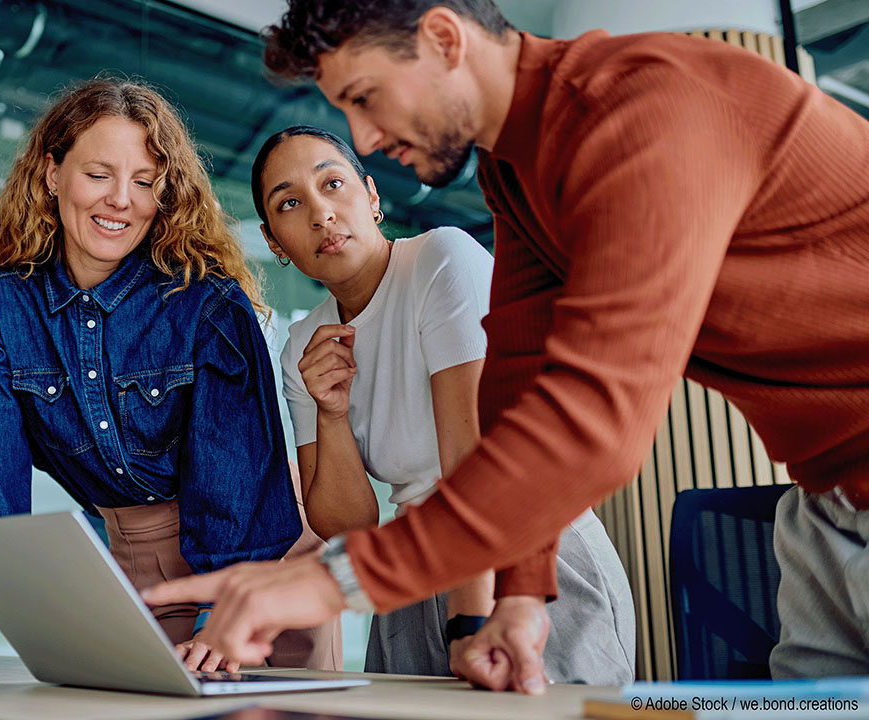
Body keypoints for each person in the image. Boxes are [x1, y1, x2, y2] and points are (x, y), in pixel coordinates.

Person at [144, 0, 869, 693]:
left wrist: (322, 581)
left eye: (366, 99)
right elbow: (516, 400)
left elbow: (595, 425)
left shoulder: (641, 112)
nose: (364, 138)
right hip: (825, 504)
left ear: (443, 39)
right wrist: (521, 594)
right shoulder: (516, 172)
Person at [0, 78, 339, 679]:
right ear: (51, 173)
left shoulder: (208, 307)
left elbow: (236, 479)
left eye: (144, 182)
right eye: (98, 175)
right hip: (130, 557)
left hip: (257, 558)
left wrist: (224, 614)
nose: (121, 200)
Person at [255, 124, 634, 684]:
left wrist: (469, 622)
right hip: (414, 573)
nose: (320, 214)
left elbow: (473, 467)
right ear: (273, 241)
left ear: (372, 196)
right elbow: (348, 524)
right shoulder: (303, 347)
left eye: (332, 184)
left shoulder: (441, 259)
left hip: (523, 557)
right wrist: (331, 413)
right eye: (290, 203)